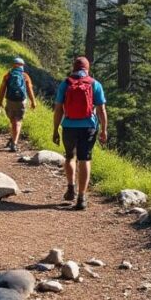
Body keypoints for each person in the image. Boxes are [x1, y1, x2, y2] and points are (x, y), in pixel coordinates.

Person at [52, 56, 107, 210]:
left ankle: (71, 187)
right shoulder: (94, 84)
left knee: (70, 156)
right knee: (85, 159)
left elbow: (58, 109)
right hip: (88, 127)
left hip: (69, 126)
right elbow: (101, 109)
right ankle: (81, 198)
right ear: (87, 69)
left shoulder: (65, 84)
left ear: (74, 68)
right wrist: (104, 129)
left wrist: (55, 129)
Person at [0, 57, 37, 152]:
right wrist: (33, 101)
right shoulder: (25, 76)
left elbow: (2, 90)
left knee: (13, 121)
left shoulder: (7, 75)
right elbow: (29, 89)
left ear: (13, 65)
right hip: (21, 101)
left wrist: (0, 102)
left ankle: (13, 138)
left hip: (10, 100)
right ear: (22, 65)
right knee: (18, 121)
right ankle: (14, 143)